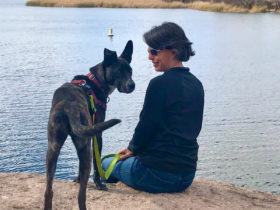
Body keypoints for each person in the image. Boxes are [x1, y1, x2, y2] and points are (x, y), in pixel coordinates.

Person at [102, 22, 204, 193]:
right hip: (187, 176)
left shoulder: (159, 84)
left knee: (105, 163)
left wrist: (132, 149)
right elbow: (194, 128)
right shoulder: (196, 84)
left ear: (173, 50)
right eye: (148, 51)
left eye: (154, 51)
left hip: (154, 174)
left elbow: (146, 126)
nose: (149, 56)